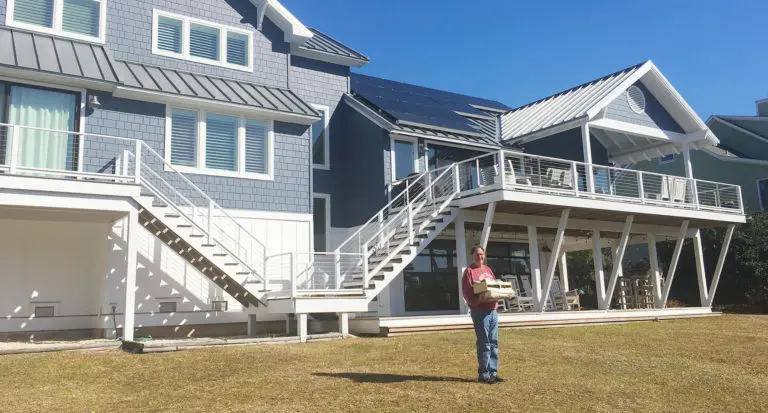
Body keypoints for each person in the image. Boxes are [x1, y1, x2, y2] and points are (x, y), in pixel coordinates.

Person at [461, 245, 503, 385]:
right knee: (484, 343)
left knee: (494, 343)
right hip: (480, 312)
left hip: (493, 311)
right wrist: (478, 300)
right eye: (477, 254)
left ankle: (493, 373)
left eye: (482, 254)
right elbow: (468, 294)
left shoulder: (488, 270)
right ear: (472, 256)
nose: (480, 257)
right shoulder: (469, 271)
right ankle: (484, 374)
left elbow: (493, 288)